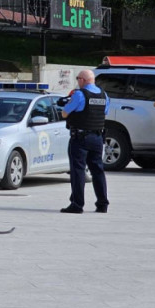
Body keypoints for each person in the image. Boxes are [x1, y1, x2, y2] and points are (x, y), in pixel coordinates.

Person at [58, 69, 110, 214]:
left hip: (80, 138)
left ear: (82, 80)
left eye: (77, 78)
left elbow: (64, 113)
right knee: (98, 171)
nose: (77, 81)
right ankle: (102, 204)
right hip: (97, 137)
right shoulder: (103, 95)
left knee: (78, 171)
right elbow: (105, 113)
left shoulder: (80, 95)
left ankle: (77, 204)